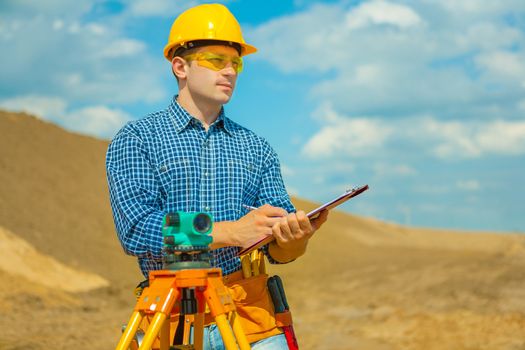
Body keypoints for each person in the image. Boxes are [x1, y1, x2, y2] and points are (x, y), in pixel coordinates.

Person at [106, 3, 328, 349]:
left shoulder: (257, 148)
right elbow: (135, 229)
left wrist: (294, 237)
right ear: (180, 66)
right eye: (215, 60)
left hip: (250, 314)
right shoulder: (137, 139)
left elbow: (280, 253)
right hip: (171, 317)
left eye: (236, 63)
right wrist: (229, 232)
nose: (229, 71)